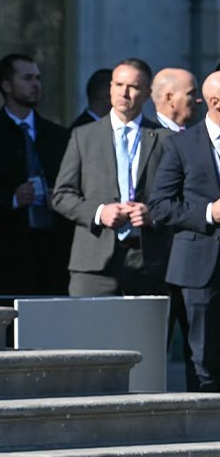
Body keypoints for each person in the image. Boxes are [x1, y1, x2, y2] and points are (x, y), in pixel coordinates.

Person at [52, 59, 171, 297]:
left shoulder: (165, 139)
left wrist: (153, 214)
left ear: (147, 94)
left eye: (133, 87)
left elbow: (180, 198)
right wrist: (98, 213)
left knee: (145, 335)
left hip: (147, 261)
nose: (124, 93)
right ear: (110, 87)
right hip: (94, 264)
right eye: (118, 84)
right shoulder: (83, 136)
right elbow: (62, 195)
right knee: (90, 333)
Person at [0, 54, 69, 295]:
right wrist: (11, 198)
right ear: (6, 85)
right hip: (6, 255)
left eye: (39, 78)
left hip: (53, 254)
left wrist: (62, 198)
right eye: (28, 78)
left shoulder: (59, 136)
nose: (36, 85)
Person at [148, 71, 220, 393]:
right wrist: (208, 213)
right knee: (203, 357)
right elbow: (160, 207)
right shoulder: (182, 145)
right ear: (216, 103)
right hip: (199, 269)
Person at [152, 68, 201, 133]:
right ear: (169, 98)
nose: (199, 100)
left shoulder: (198, 135)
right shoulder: (148, 138)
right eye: (191, 94)